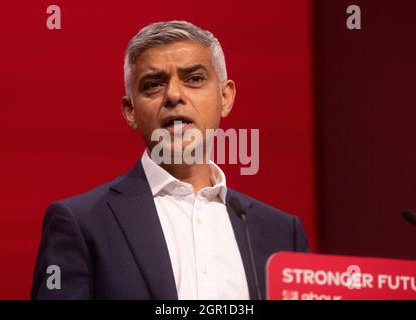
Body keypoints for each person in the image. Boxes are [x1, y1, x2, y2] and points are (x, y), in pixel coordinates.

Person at [31, 20, 310, 300]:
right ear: (130, 110)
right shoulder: (81, 223)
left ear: (225, 97)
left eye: (194, 79)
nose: (174, 95)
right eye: (153, 85)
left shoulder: (283, 234)